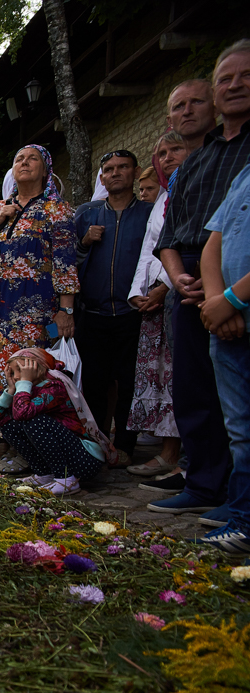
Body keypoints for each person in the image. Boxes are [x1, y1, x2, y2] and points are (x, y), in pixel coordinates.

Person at [152, 44, 250, 520]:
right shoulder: (191, 163)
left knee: (239, 387)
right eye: (225, 79)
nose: (235, 86)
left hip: (238, 271)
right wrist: (176, 277)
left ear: (208, 107)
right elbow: (169, 235)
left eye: (244, 77)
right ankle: (205, 481)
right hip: (189, 276)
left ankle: (241, 497)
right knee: (193, 385)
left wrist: (222, 295)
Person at [0, 145, 78, 450]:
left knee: (28, 372)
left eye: (32, 159)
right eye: (19, 159)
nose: (24, 163)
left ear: (46, 170)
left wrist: (66, 310)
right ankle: (6, 437)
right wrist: (0, 218)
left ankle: (28, 442)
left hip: (37, 311)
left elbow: (65, 262)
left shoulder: (58, 211)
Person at [74, 149, 153, 463]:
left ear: (134, 172)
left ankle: (126, 447)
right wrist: (84, 242)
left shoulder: (149, 213)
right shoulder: (86, 213)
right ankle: (96, 444)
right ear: (101, 177)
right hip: (92, 313)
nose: (115, 173)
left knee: (130, 382)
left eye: (122, 167)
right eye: (108, 169)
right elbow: (66, 262)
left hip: (135, 313)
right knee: (93, 383)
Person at [127, 131, 191, 482]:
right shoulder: (164, 198)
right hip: (152, 299)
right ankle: (168, 453)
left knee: (183, 375)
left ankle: (189, 460)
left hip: (179, 290)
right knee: (161, 377)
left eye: (175, 150)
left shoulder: (193, 189)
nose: (167, 158)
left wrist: (165, 287)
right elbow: (151, 248)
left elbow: (187, 244)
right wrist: (138, 291)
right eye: (161, 152)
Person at [197, 160, 250, 553]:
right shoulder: (242, 174)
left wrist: (230, 300)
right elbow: (215, 241)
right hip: (225, 316)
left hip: (234, 305)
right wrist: (218, 302)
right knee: (241, 428)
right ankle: (243, 516)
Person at [0, 349, 112, 496]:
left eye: (21, 371)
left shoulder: (54, 387)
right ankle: (44, 474)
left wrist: (24, 383)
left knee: (34, 421)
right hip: (66, 458)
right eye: (12, 372)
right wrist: (10, 390)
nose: (17, 376)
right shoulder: (22, 389)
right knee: (8, 425)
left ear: (38, 369)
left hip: (84, 459)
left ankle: (66, 480)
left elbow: (23, 413)